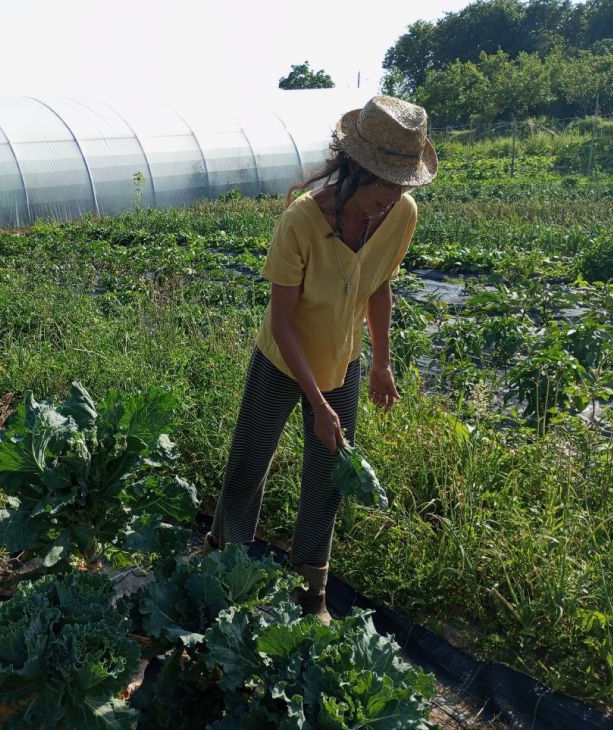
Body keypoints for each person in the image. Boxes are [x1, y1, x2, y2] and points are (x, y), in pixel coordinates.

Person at [200, 95, 438, 624]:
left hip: (342, 362)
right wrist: (317, 401)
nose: (390, 201)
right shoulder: (301, 223)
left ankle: (312, 595)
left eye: (401, 189)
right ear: (354, 170)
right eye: (383, 188)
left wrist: (380, 363)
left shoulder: (401, 214)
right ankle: (224, 573)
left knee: (327, 476)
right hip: (282, 361)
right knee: (247, 467)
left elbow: (380, 287)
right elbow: (283, 323)